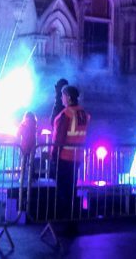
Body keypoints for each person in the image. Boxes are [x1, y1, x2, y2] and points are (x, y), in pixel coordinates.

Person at [51, 85, 89, 230]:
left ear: (69, 97)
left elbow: (59, 139)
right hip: (77, 157)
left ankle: (64, 222)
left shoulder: (65, 114)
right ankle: (73, 221)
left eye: (63, 95)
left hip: (64, 157)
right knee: (72, 190)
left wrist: (54, 156)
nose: (62, 98)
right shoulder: (83, 114)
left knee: (63, 191)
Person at [18, 112, 38, 178]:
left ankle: (22, 177)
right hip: (32, 145)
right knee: (31, 162)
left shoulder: (22, 125)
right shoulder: (34, 124)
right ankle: (32, 178)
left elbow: (18, 134)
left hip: (24, 145)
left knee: (23, 162)